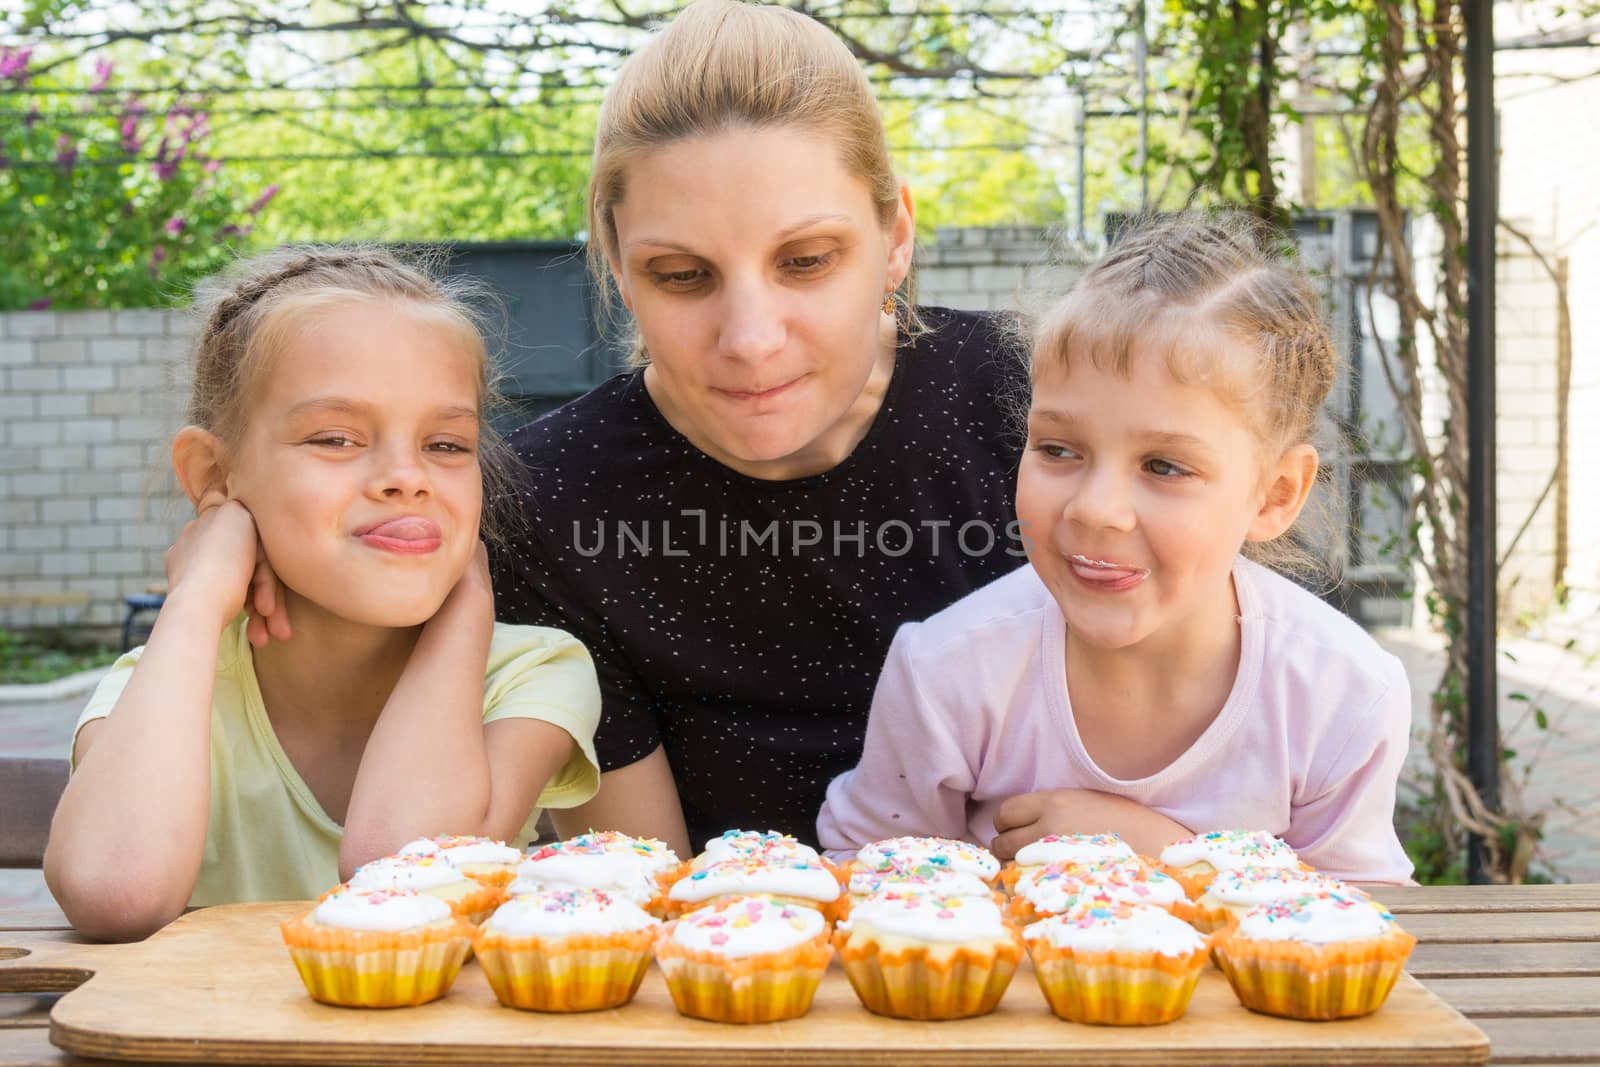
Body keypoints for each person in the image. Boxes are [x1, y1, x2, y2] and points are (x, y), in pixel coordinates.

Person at [489, 0, 1029, 857]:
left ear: (895, 239)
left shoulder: (1034, 405)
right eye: (682, 275)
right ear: (620, 270)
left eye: (806, 261)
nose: (750, 339)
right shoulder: (546, 501)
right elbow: (644, 891)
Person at [816, 214, 1415, 884]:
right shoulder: (946, 675)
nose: (1094, 507)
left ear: (1275, 494)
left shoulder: (1340, 694)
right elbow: (859, 871)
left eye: (1164, 466)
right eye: (1059, 449)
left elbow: (1362, 922)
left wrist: (1167, 855)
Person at [45, 247, 604, 942]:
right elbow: (112, 892)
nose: (407, 477)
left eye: (447, 445)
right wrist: (195, 601)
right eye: (337, 438)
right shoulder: (166, 685)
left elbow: (400, 877)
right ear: (214, 474)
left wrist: (467, 608)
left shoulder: (532, 675)